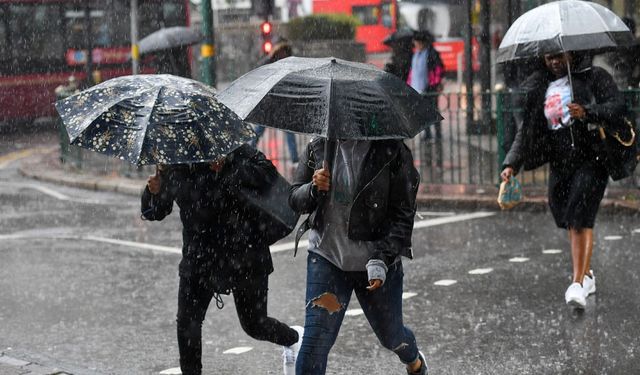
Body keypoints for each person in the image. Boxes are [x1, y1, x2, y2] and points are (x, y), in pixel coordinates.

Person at [140, 144, 303, 375]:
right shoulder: (174, 162)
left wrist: (228, 166)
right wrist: (152, 192)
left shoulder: (231, 147)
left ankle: (294, 337)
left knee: (254, 325)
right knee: (187, 324)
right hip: (198, 259)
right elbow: (154, 212)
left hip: (245, 254)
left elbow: (267, 174)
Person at [289, 138, 429, 374]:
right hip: (327, 257)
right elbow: (294, 198)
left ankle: (414, 361)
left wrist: (382, 258)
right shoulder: (318, 145)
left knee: (391, 336)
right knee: (315, 344)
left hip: (376, 264)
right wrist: (313, 189)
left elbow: (403, 214)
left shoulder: (392, 150)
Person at [500, 52, 627, 309]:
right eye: (549, 58)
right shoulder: (540, 87)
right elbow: (527, 130)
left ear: (572, 54)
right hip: (560, 159)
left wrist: (588, 112)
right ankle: (587, 275)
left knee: (581, 215)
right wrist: (511, 164)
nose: (555, 62)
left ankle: (577, 283)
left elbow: (617, 106)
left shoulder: (594, 77)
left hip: (592, 157)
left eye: (559, 56)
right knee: (566, 215)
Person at [252, 38, 299, 166]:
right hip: (269, 103)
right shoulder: (269, 62)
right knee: (259, 130)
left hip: (283, 103)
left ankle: (295, 159)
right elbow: (258, 73)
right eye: (280, 50)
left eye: (285, 51)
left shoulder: (290, 63)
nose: (283, 53)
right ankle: (250, 151)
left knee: (289, 132)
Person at [407, 30, 444, 172]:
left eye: (417, 42)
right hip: (418, 89)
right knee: (424, 112)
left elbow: (437, 70)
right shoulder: (416, 54)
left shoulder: (431, 54)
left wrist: (434, 84)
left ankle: (436, 134)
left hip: (428, 89)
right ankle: (427, 134)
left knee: (432, 111)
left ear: (421, 42)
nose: (415, 44)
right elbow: (413, 72)